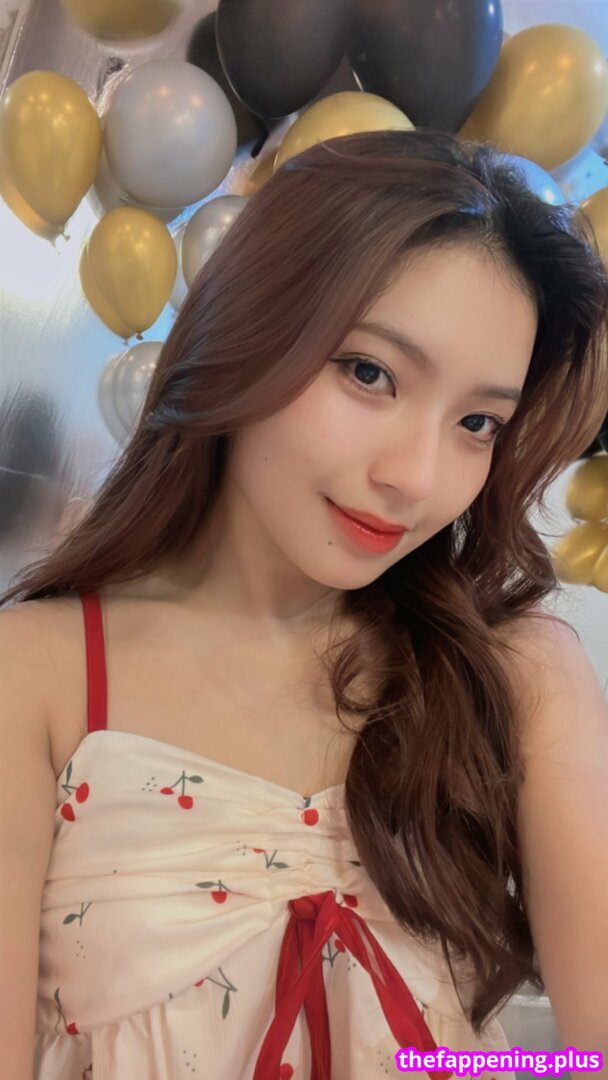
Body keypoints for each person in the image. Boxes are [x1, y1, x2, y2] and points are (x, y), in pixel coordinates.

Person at [1, 128, 607, 1080]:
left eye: (477, 423)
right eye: (370, 373)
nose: (415, 477)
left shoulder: (515, 674)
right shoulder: (37, 673)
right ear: (246, 329)